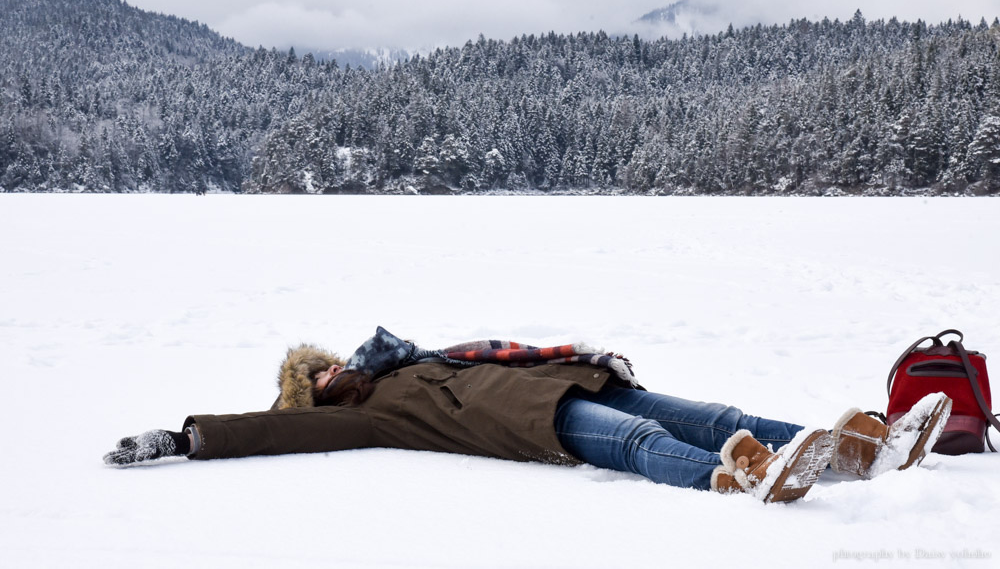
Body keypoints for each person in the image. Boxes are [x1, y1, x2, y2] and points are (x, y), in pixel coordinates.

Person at [103, 328, 953, 504]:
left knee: (711, 408)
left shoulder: (412, 358)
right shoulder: (370, 416)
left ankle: (849, 451)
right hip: (527, 428)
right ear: (313, 397)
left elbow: (500, 346)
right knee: (639, 442)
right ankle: (743, 476)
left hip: (567, 381)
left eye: (325, 360)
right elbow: (272, 428)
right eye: (313, 376)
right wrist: (186, 438)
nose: (329, 371)